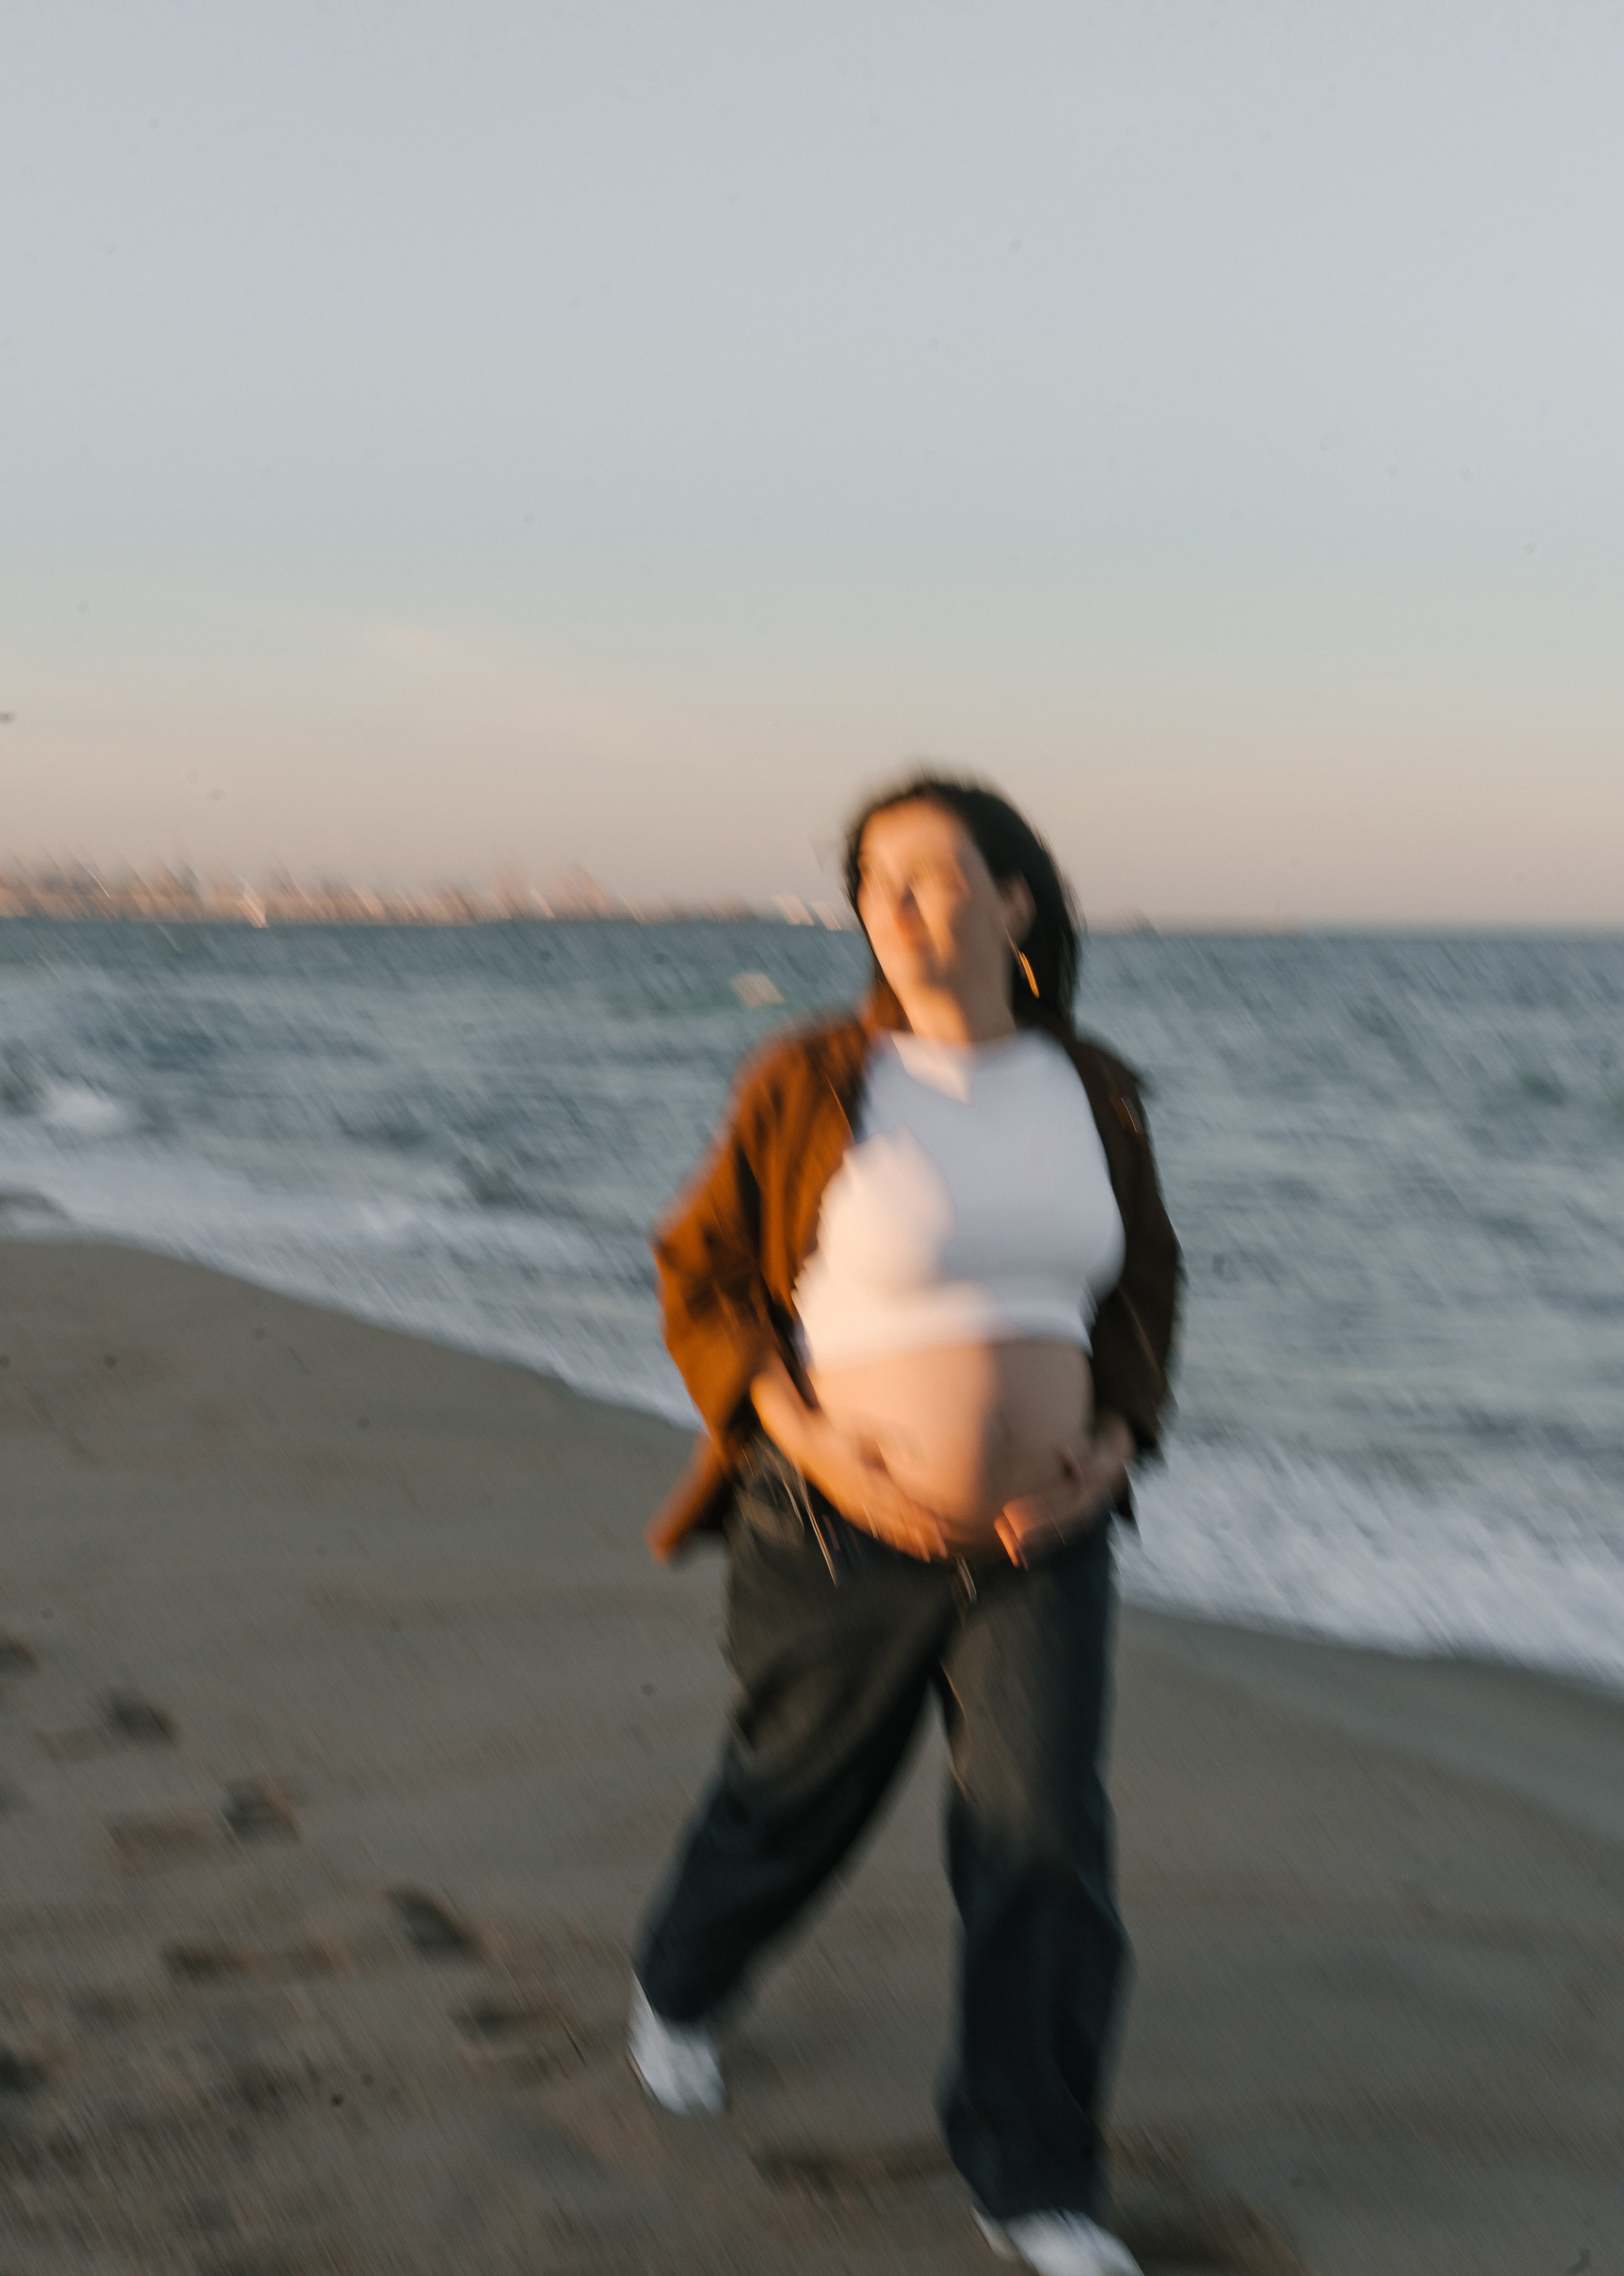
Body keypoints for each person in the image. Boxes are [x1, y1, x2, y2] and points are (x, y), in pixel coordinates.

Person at [630, 775, 1181, 2276]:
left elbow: (1137, 1299)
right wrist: (808, 1437)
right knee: (790, 1794)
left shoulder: (1093, 1090)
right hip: (831, 1526)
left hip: (1040, 1545)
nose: (900, 906)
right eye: (876, 882)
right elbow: (703, 1270)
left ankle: (1035, 2179)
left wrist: (1114, 1440)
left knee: (1041, 1835)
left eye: (936, 877)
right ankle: (679, 1980)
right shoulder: (813, 1078)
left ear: (1016, 901)